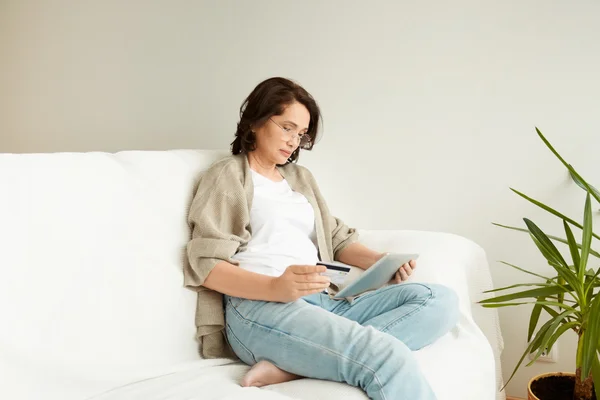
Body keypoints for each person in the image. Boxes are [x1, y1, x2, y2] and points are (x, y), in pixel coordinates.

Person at [184, 77, 459, 400]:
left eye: (301, 134)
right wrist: (275, 288)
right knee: (385, 354)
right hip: (261, 309)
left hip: (324, 303)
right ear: (256, 121)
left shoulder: (299, 178)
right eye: (287, 127)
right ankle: (311, 357)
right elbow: (206, 265)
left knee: (439, 301)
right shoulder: (227, 175)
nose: (293, 142)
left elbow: (336, 238)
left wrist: (379, 263)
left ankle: (295, 365)